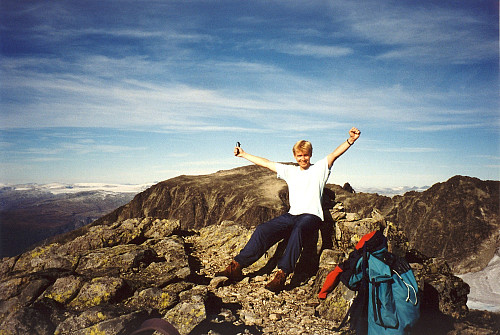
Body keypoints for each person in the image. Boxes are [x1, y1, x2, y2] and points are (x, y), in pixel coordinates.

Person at [216, 127, 361, 292]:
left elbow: (335, 154)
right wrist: (243, 154)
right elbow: (267, 163)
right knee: (263, 229)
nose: (303, 158)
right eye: (299, 155)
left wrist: (351, 140)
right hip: (292, 215)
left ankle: (282, 274)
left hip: (312, 216)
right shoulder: (290, 171)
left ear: (310, 154)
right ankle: (237, 265)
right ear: (295, 156)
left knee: (298, 230)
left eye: (306, 155)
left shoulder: (319, 169)